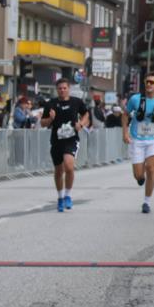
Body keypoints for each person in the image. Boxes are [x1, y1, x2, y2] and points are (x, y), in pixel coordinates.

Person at [122, 70, 154, 214]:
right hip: (137, 140)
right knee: (139, 176)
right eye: (147, 82)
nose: (149, 85)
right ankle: (142, 173)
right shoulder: (135, 99)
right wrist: (125, 133)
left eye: (152, 82)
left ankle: (146, 202)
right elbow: (125, 115)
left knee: (151, 168)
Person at [40, 78, 89, 212]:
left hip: (71, 139)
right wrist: (50, 118)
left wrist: (81, 124)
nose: (62, 90)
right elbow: (42, 123)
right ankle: (60, 197)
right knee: (58, 171)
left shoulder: (76, 102)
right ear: (57, 90)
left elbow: (86, 114)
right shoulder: (51, 104)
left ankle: (67, 195)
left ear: (69, 88)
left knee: (69, 166)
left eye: (64, 88)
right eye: (60, 88)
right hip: (56, 140)